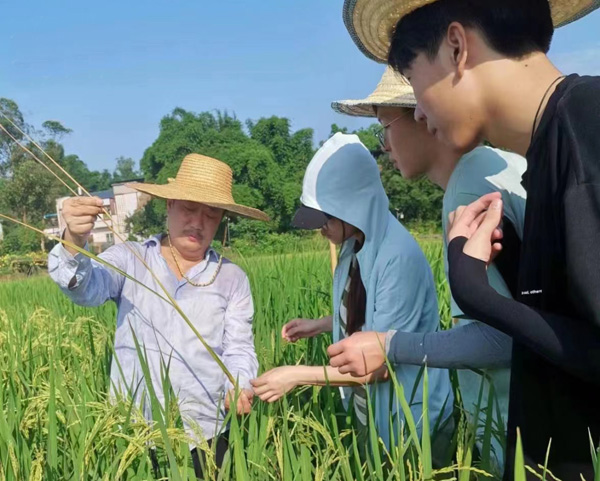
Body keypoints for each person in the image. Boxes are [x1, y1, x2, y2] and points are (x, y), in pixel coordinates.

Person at [341, 0, 600, 479]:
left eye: (415, 82)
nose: (417, 111)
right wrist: (475, 291)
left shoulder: (586, 127)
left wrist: (475, 293)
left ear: (457, 47)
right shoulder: (545, 157)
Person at [327, 66, 526, 476]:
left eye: (385, 126)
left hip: (524, 437)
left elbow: (505, 338)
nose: (384, 146)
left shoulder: (469, 191)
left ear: (423, 114)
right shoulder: (493, 166)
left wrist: (390, 344)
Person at [48, 153, 269, 479]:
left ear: (222, 219)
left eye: (211, 214)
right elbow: (85, 289)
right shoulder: (131, 258)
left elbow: (238, 347)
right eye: (189, 209)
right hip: (136, 433)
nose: (198, 222)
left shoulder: (232, 277)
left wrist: (239, 384)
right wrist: (73, 241)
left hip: (205, 432)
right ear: (169, 206)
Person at [251, 132, 454, 453]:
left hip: (413, 423)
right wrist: (320, 324)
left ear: (354, 207)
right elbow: (369, 315)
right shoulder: (354, 245)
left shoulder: (397, 258)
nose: (321, 230)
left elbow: (380, 364)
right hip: (370, 412)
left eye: (326, 219)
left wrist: (295, 375)